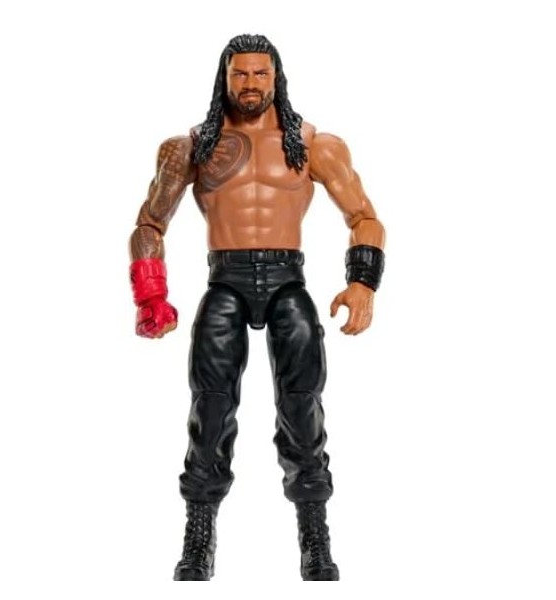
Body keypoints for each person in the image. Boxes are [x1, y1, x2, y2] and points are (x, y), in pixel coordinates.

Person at [128, 34, 385, 581]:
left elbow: (364, 217)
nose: (250, 84)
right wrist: (150, 293)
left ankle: (315, 540)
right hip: (225, 279)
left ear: (276, 77)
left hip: (289, 278)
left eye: (259, 74)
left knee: (303, 410)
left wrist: (362, 283)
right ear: (224, 78)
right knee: (210, 411)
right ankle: (198, 540)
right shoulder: (191, 146)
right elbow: (150, 223)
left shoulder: (314, 144)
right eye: (240, 74)